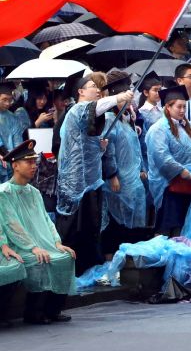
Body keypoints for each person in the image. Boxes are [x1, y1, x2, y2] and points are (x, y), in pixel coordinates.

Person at [57, 75, 130, 274]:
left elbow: (84, 145)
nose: (97, 90)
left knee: (92, 228)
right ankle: (68, 270)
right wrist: (119, 97)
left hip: (91, 181)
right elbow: (95, 107)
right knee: (74, 229)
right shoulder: (77, 109)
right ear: (80, 91)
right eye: (92, 87)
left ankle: (88, 267)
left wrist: (100, 148)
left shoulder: (89, 114)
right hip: (76, 184)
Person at [0, 140, 75, 325]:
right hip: (18, 246)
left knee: (66, 256)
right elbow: (12, 225)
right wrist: (33, 247)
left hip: (39, 244)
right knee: (40, 260)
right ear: (15, 165)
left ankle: (53, 310)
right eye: (29, 162)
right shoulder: (4, 192)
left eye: (35, 162)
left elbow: (46, 221)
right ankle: (33, 312)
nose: (34, 166)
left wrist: (57, 242)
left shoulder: (33, 191)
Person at [144, 85, 191, 237]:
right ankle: (164, 258)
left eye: (184, 107)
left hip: (189, 182)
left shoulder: (187, 126)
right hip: (169, 184)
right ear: (168, 107)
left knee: (182, 225)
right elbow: (161, 156)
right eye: (179, 107)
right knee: (167, 226)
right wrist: (181, 171)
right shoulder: (159, 129)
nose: (182, 110)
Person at [100, 71, 147, 258]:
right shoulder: (109, 120)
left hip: (132, 180)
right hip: (117, 181)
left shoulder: (127, 119)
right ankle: (112, 263)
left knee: (133, 226)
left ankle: (130, 263)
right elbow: (108, 149)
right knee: (116, 225)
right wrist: (112, 175)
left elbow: (135, 147)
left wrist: (141, 169)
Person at [0, 82, 24, 184]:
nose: (7, 103)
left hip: (10, 160)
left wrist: (16, 159)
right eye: (4, 99)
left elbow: (18, 142)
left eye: (10, 100)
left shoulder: (13, 118)